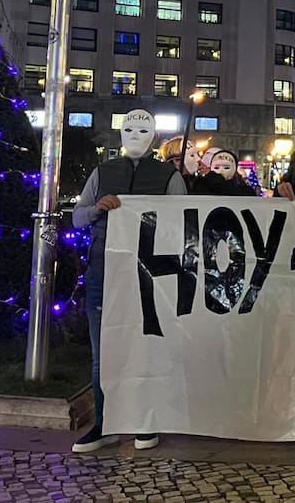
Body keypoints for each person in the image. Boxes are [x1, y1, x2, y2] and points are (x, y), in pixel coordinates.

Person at [71, 109, 189, 453]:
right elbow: (78, 217)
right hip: (103, 272)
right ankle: (104, 423)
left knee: (147, 349)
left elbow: (182, 222)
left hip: (147, 275)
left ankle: (145, 421)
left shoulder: (169, 177)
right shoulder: (102, 172)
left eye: (142, 130)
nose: (135, 135)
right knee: (102, 353)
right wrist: (97, 209)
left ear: (153, 137)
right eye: (129, 129)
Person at [192, 149, 257, 196]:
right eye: (216, 167)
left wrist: (212, 176)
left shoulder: (245, 191)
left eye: (226, 167)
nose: (221, 171)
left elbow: (226, 189)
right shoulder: (202, 186)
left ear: (234, 170)